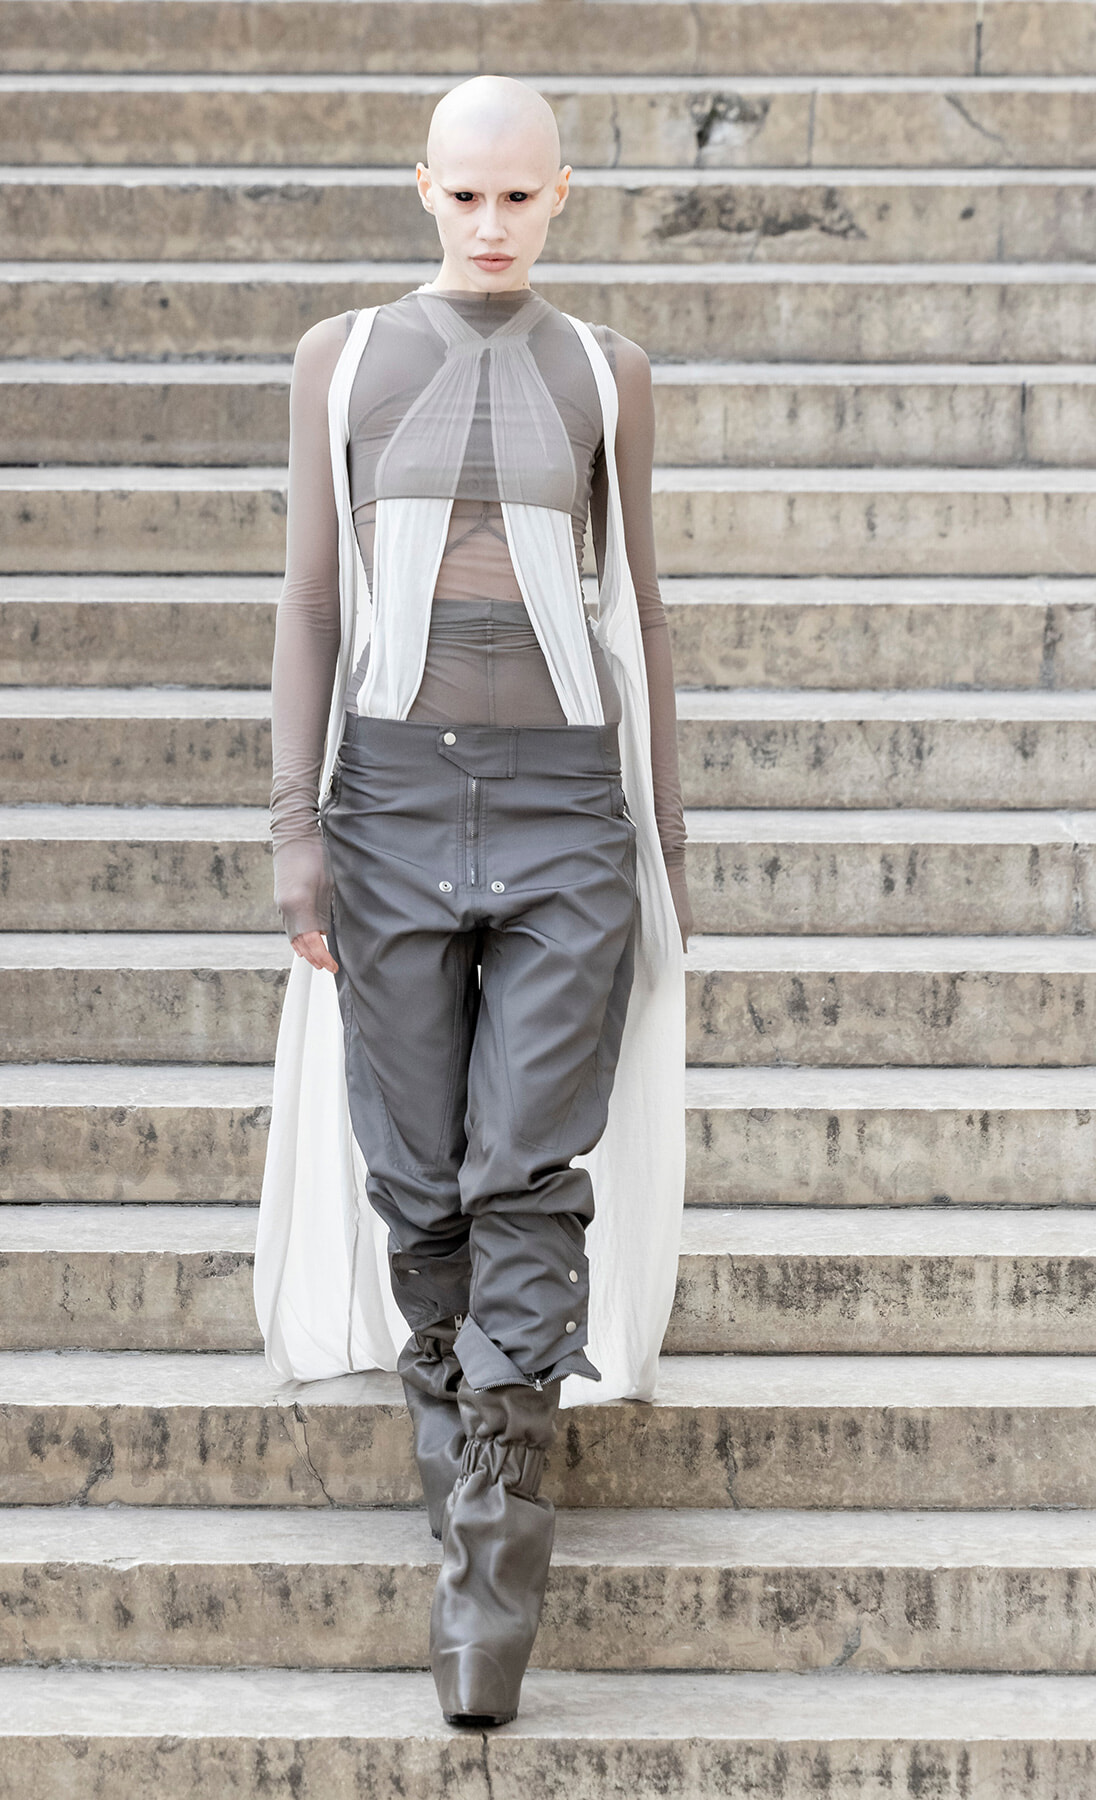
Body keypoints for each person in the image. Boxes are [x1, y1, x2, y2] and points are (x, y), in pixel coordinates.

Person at [254, 74, 692, 1729]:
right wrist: (297, 828)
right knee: (416, 1170)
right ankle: (461, 1468)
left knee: (526, 1164)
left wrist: (666, 842)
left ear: (563, 195)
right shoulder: (344, 361)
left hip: (570, 804)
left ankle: (496, 1553)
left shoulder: (608, 372)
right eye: (468, 196)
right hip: (387, 797)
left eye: (523, 198)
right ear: (423, 189)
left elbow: (643, 609)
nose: (493, 225)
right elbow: (309, 596)